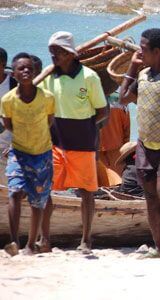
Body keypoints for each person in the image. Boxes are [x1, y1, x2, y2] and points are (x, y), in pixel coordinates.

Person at [40, 31, 108, 254]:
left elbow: (102, 111)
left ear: (70, 54)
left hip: (83, 143)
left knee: (86, 191)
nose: (53, 57)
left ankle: (86, 241)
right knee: (45, 189)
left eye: (57, 52)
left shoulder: (89, 77)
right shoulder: (48, 77)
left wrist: (85, 126)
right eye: (51, 53)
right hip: (56, 142)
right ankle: (44, 239)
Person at [119, 28, 160, 258]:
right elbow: (123, 97)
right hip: (144, 146)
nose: (139, 52)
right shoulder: (143, 75)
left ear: (158, 52)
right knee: (150, 198)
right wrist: (133, 67)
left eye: (143, 49)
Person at [1, 53, 55, 256]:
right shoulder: (7, 100)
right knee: (14, 191)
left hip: (42, 154)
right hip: (18, 152)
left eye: (29, 68)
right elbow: (9, 125)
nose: (25, 71)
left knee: (37, 201)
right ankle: (14, 241)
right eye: (20, 68)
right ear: (13, 73)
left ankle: (31, 244)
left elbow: (49, 121)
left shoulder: (47, 97)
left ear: (34, 72)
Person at [98, 93, 130, 175]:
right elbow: (126, 127)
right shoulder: (121, 99)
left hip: (94, 148)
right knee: (118, 182)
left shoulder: (86, 96)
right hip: (117, 148)